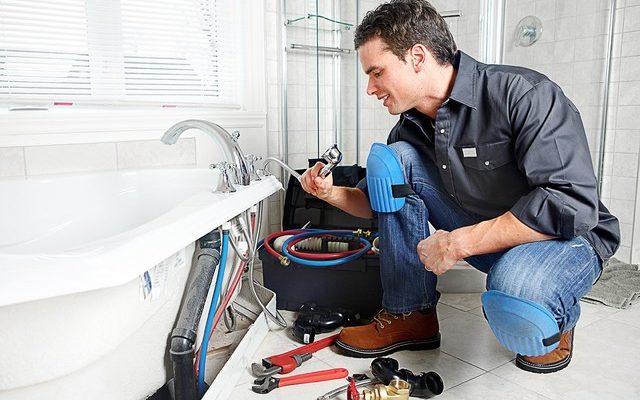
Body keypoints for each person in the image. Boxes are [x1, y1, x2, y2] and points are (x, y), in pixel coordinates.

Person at [299, 0, 620, 374]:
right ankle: (410, 313)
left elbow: (571, 204)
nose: (370, 88)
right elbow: (376, 203)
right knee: (395, 161)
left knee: (519, 300)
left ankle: (555, 311)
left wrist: (458, 242)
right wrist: (329, 192)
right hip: (492, 237)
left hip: (566, 240)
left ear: (417, 57)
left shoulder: (523, 94)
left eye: (377, 73)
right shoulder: (409, 129)